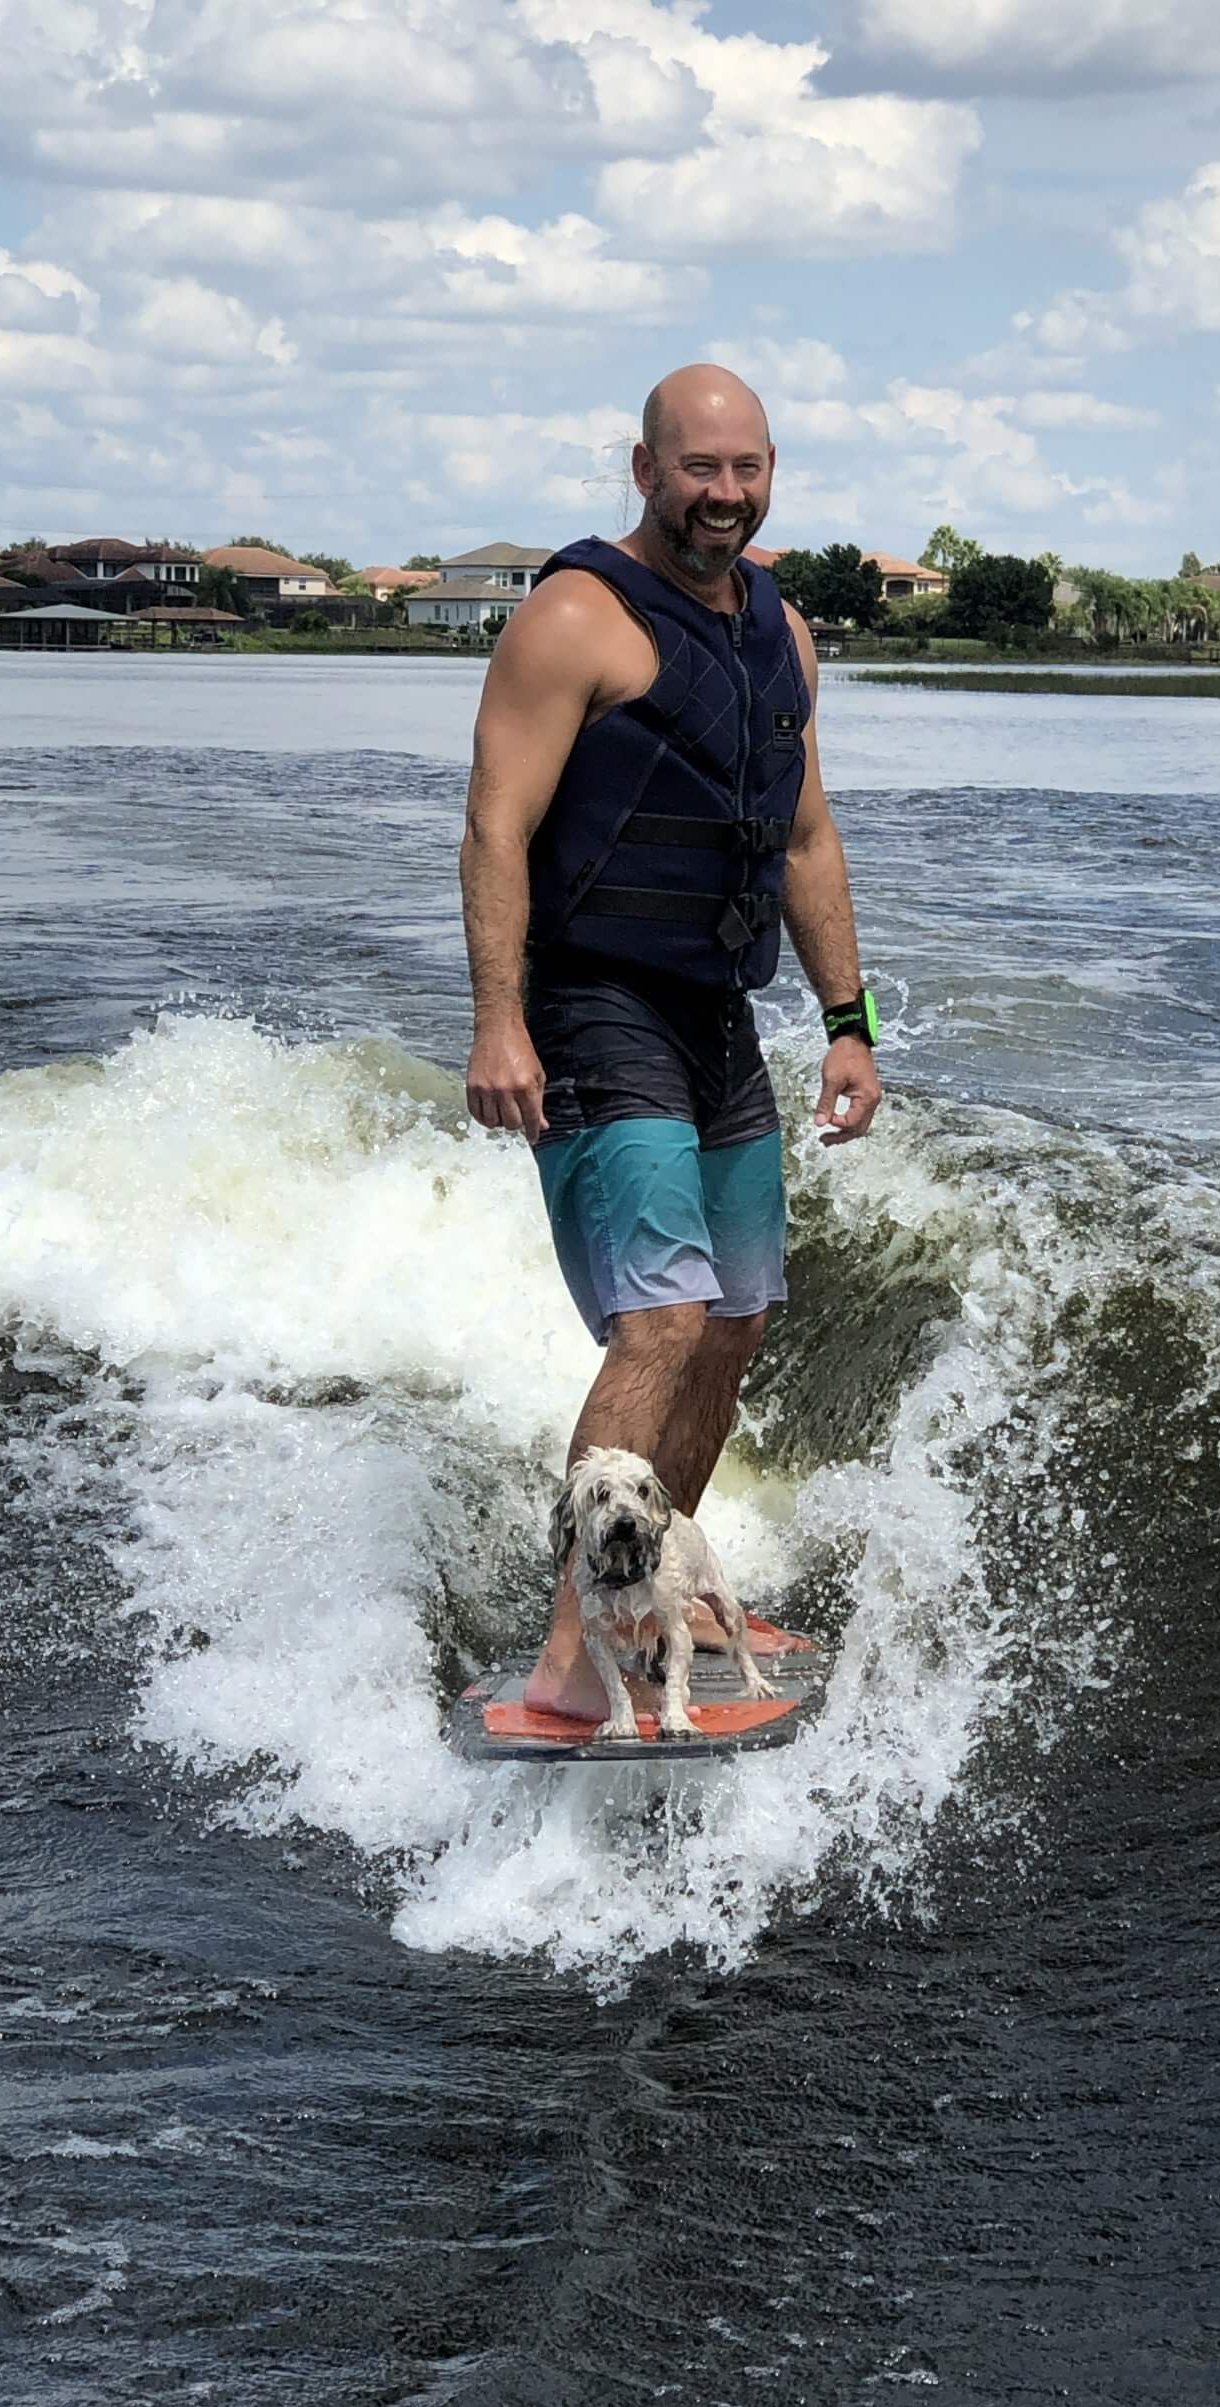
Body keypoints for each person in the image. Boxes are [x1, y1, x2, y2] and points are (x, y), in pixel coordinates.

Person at [458, 362, 882, 1716]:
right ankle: (572, 1657)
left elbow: (808, 836)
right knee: (664, 1320)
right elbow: (494, 829)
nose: (726, 494)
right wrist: (497, 1021)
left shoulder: (784, 632)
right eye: (699, 469)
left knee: (736, 1321)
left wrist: (848, 1021)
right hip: (590, 1008)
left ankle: (663, 1599)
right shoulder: (573, 619)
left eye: (747, 469)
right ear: (644, 472)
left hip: (716, 1015)